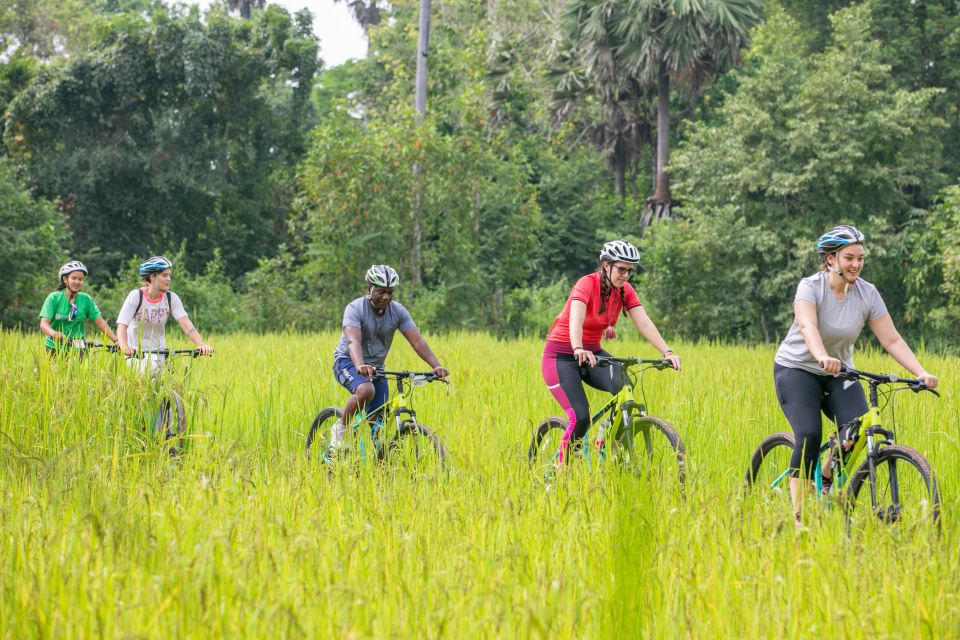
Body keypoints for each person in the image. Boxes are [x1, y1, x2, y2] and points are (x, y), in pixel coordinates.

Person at [773, 225, 938, 527]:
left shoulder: (867, 293)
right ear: (830, 260)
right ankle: (798, 517)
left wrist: (921, 372)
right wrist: (822, 355)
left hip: (839, 372)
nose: (856, 264)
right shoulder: (810, 287)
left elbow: (892, 340)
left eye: (861, 258)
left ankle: (825, 478)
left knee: (858, 428)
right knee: (809, 434)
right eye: (849, 258)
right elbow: (808, 326)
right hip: (797, 368)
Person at [541, 240, 681, 464]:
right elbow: (575, 318)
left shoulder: (625, 291)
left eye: (630, 270)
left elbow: (644, 323)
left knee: (625, 385)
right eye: (621, 269)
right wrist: (578, 347)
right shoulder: (586, 284)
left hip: (593, 356)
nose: (625, 275)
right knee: (581, 417)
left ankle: (606, 442)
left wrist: (667, 351)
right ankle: (561, 470)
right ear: (606, 265)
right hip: (561, 357)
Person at [328, 264, 449, 456]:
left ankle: (380, 467)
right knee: (366, 389)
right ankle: (340, 428)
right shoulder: (355, 308)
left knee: (379, 425)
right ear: (370, 289)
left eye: (390, 292)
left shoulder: (398, 312)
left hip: (376, 369)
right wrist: (359, 365)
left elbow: (417, 340)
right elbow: (353, 341)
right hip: (348, 362)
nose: (386, 297)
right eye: (381, 291)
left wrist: (436, 366)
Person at [116, 256, 213, 375]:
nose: (169, 279)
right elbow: (122, 325)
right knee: (146, 378)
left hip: (160, 354)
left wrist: (201, 345)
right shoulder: (136, 296)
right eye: (164, 275)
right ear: (152, 277)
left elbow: (187, 325)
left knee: (164, 388)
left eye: (169, 275)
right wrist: (125, 347)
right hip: (136, 355)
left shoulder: (171, 298)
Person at [39, 260, 119, 355]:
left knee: (83, 369)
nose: (77, 282)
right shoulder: (54, 298)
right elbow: (44, 324)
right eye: (74, 278)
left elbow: (101, 322)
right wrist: (54, 333)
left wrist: (116, 340)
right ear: (65, 279)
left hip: (78, 348)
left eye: (80, 279)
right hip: (54, 347)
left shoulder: (86, 299)